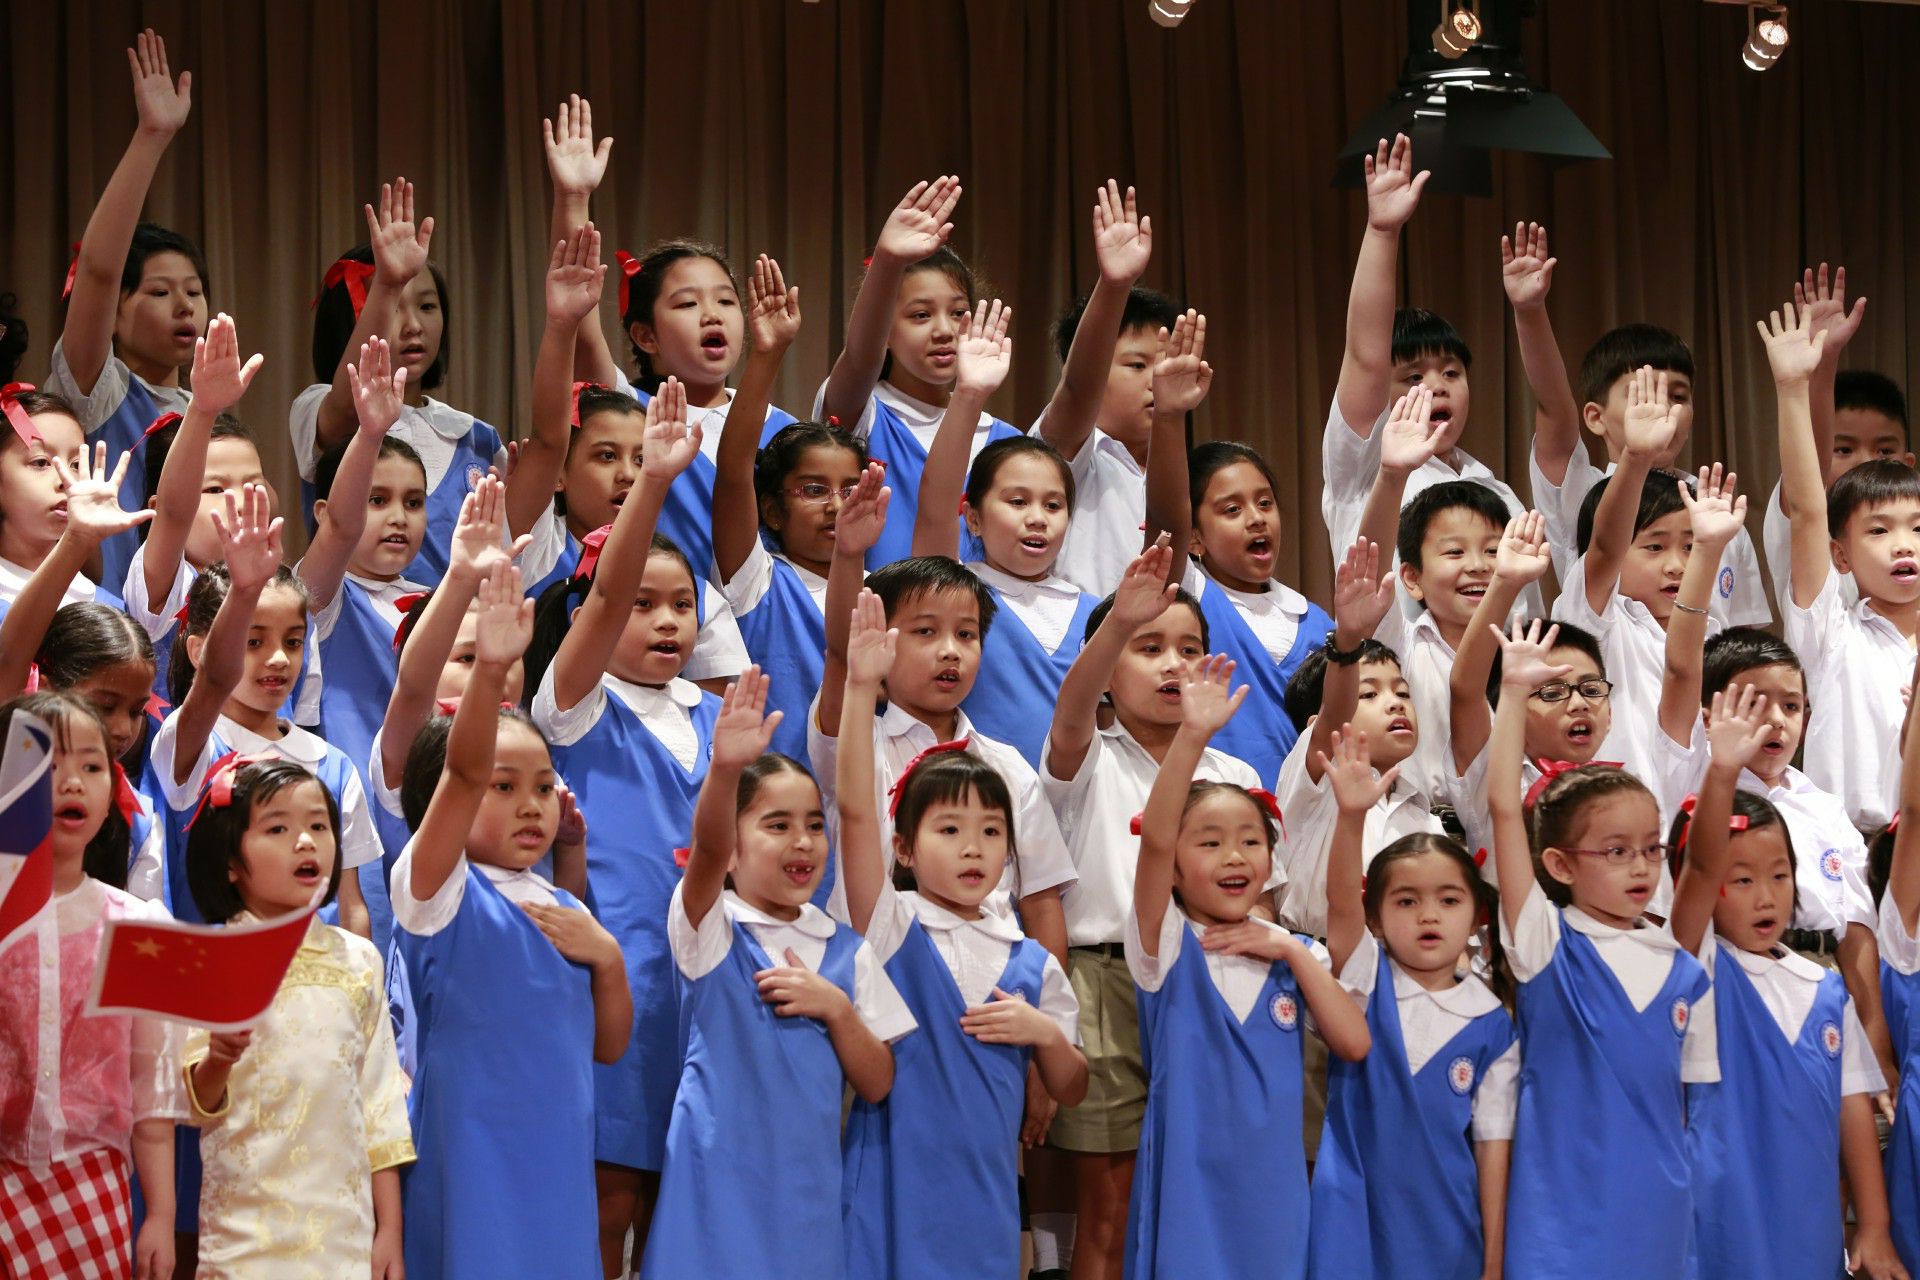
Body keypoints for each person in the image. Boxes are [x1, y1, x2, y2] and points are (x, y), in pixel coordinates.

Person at [838, 587, 1086, 1280]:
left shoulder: (1031, 961)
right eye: (949, 830)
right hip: (889, 1189)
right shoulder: (892, 923)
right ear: (907, 850)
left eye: (990, 833)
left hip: (983, 1202)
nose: (973, 849)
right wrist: (861, 686)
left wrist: (1042, 1036)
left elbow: (1071, 1084)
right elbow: (856, 813)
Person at [391, 560, 629, 1280]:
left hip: (556, 1150)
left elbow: (610, 1046)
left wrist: (608, 957)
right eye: (505, 787)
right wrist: (492, 669)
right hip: (468, 1149)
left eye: (543, 787)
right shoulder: (434, 889)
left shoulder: (562, 904)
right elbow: (461, 772)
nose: (533, 805)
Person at [639, 669, 913, 1280]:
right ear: (733, 850)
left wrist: (837, 1009)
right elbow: (704, 853)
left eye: (815, 825)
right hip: (713, 1180)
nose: (804, 842)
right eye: (777, 825)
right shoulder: (711, 931)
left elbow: (878, 1082)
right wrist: (725, 770)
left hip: (806, 1192)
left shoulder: (846, 951)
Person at [1125, 653, 1370, 1279]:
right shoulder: (1166, 941)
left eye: (1250, 840)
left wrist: (1290, 947)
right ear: (1176, 868)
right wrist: (1192, 736)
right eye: (1208, 842)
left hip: (1274, 1191)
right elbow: (1153, 839)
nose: (1234, 855)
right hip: (1189, 1187)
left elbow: (1354, 1041)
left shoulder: (1295, 955)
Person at [1486, 619, 1714, 1278]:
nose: (1641, 867)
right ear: (1557, 864)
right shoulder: (1543, 941)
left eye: (1650, 849)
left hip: (1661, 1217)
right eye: (1616, 852)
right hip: (1559, 1216)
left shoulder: (1683, 970)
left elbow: (1697, 1115)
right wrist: (1513, 693)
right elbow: (1505, 807)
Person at [1661, 686, 1904, 1280]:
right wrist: (1722, 772)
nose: (1766, 895)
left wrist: (1872, 1227)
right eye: (1739, 880)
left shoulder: (1824, 991)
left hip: (1808, 1226)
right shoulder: (1694, 970)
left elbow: (1852, 1112)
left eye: (1778, 875)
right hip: (1713, 1224)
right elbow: (1700, 866)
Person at [181, 756, 412, 1278]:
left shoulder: (360, 962)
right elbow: (196, 1103)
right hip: (244, 1243)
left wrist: (389, 1230)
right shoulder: (210, 960)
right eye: (278, 827)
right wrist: (218, 1058)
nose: (305, 841)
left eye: (318, 825)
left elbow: (379, 1106)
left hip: (344, 1240)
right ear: (231, 862)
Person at [1308, 731, 1516, 1280]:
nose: (1429, 916)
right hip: (1350, 1214)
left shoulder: (1493, 1025)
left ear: (1477, 918)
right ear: (1374, 919)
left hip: (1447, 1229)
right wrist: (1350, 816)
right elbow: (1338, 909)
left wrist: (1493, 1262)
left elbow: (1494, 1153)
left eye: (1449, 900)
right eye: (1406, 900)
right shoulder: (1362, 980)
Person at [0, 691, 183, 1280]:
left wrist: (160, 1213)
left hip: (94, 1184)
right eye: (45, 765)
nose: (71, 781)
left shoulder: (137, 928)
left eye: (91, 765)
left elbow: (149, 1088)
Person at [48, 30, 203, 592]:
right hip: (113, 635)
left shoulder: (206, 411)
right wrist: (152, 138)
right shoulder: (101, 393)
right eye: (160, 293)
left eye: (193, 290)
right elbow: (98, 271)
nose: (184, 305)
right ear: (115, 313)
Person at [817, 176, 1022, 567]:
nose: (945, 330)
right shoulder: (865, 414)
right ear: (886, 331)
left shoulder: (1005, 442)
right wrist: (888, 261)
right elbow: (860, 357)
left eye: (959, 312)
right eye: (921, 315)